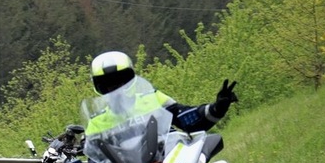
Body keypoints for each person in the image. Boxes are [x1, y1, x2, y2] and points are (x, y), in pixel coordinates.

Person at [86, 51, 238, 137]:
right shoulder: (96, 122)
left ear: (131, 79)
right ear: (99, 88)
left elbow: (185, 118)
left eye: (120, 82)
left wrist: (217, 108)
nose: (116, 90)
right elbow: (95, 160)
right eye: (108, 86)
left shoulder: (152, 99)